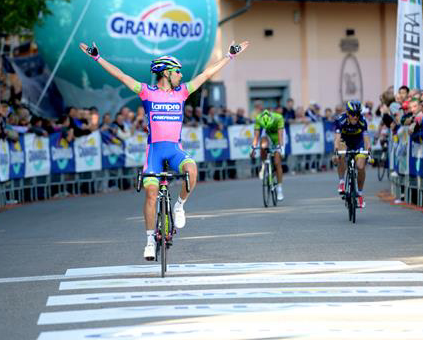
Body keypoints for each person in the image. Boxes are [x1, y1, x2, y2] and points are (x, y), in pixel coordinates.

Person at [80, 39, 249, 260]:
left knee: (192, 170)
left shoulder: (183, 92)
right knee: (151, 195)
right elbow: (120, 76)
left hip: (174, 150)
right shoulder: (147, 92)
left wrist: (230, 55)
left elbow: (206, 74)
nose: (181, 75)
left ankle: (179, 206)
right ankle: (150, 241)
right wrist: (97, 57)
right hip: (154, 153)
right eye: (177, 71)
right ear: (166, 73)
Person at [332, 100, 372, 208]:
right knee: (341, 154)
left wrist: (368, 148)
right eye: (353, 114)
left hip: (358, 142)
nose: (355, 117)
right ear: (348, 113)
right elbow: (337, 138)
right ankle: (341, 182)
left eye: (358, 114)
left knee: (360, 166)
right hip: (344, 141)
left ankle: (360, 194)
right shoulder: (341, 120)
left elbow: (366, 138)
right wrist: (336, 150)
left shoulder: (362, 121)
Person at [250, 109, 285, 201]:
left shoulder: (278, 118)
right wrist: (252, 148)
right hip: (267, 135)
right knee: (263, 145)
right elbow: (256, 137)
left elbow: (280, 136)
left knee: (277, 163)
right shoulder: (258, 118)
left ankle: (280, 189)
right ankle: (263, 164)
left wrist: (281, 149)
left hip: (277, 137)